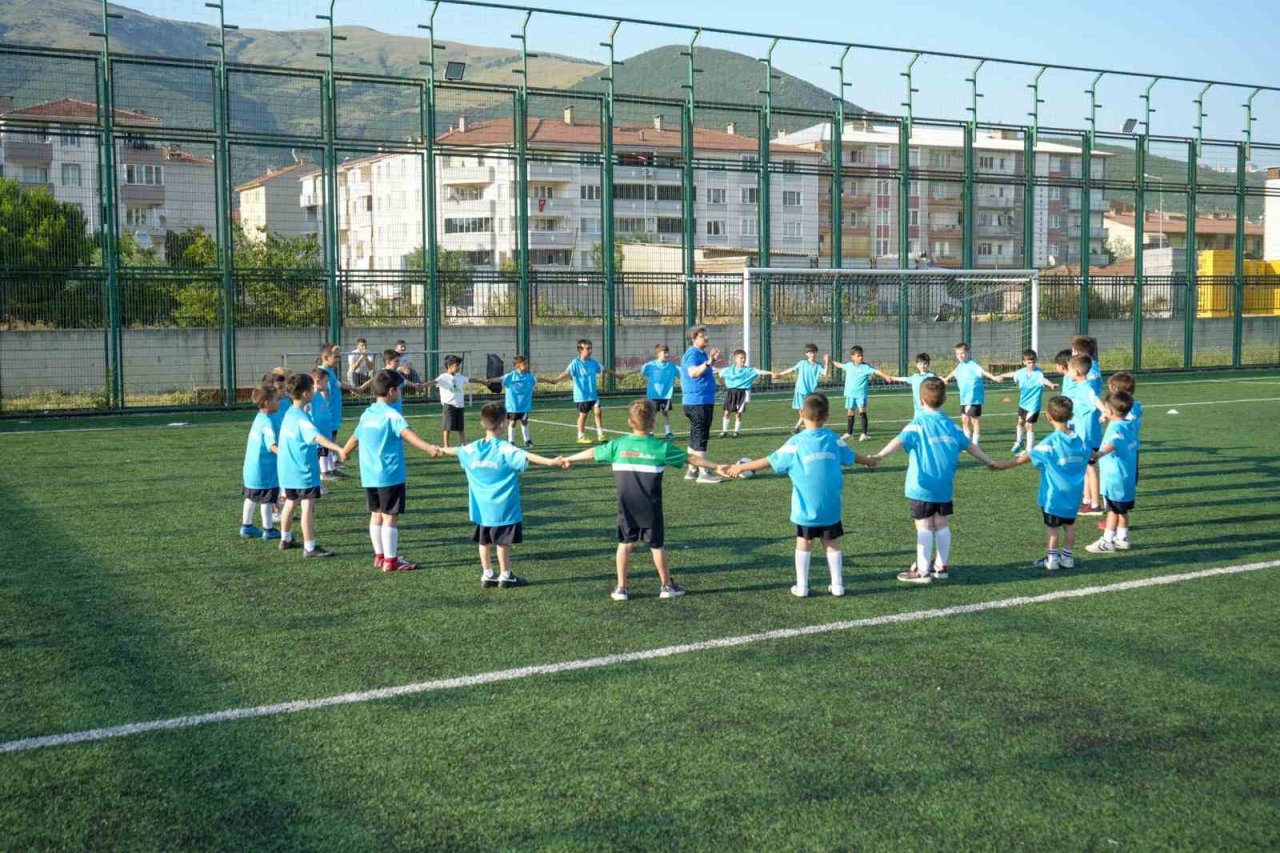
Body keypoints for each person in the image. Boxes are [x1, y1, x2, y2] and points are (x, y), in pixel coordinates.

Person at [562, 399, 729, 601]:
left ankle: (621, 588)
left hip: (627, 508)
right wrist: (716, 466)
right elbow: (692, 458)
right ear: (653, 423)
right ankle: (667, 586)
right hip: (651, 509)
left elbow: (592, 452)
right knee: (656, 546)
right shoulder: (661, 448)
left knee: (624, 545)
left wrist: (570, 458)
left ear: (629, 423)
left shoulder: (617, 445)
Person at [727, 393, 877, 598]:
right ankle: (838, 585)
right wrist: (869, 461)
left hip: (806, 508)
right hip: (831, 506)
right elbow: (852, 456)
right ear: (827, 417)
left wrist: (741, 467)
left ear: (801, 414)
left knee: (804, 543)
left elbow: (770, 461)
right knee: (831, 543)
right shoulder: (833, 438)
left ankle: (802, 587)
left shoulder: (795, 443)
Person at [870, 376, 1002, 583]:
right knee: (941, 524)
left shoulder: (918, 424)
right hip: (943, 486)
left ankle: (922, 571)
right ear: (944, 399)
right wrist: (989, 460)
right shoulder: (951, 425)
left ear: (921, 399)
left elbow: (897, 441)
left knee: (923, 526)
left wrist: (878, 456)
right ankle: (941, 567)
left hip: (922, 486)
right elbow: (970, 446)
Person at [435, 402, 567, 589]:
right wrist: (552, 462)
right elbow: (527, 457)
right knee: (502, 542)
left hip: (481, 509)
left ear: (482, 424)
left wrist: (439, 450)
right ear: (503, 424)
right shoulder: (505, 449)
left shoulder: (472, 449)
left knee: (484, 541)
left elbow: (455, 450)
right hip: (503, 508)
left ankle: (487, 573)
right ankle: (505, 575)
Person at [341, 370, 443, 573]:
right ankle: (391, 561)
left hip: (369, 475)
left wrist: (344, 451)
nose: (400, 394)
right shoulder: (392, 415)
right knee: (390, 517)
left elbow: (355, 437)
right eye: (399, 390)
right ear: (391, 390)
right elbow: (408, 435)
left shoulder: (367, 413)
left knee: (376, 515)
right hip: (389, 474)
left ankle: (380, 556)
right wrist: (428, 448)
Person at [990, 395, 1087, 570]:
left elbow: (1025, 458)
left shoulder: (1050, 442)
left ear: (1048, 417)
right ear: (1072, 416)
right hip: (1073, 495)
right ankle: (1067, 558)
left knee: (1053, 528)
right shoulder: (1079, 441)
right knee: (1070, 526)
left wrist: (1003, 465)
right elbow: (1090, 455)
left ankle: (1051, 560)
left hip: (1054, 497)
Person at [276, 372, 348, 558]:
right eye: (312, 389)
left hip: (287, 470)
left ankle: (285, 538)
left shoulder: (289, 414)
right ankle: (309, 547)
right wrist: (338, 449)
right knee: (308, 506)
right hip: (304, 471)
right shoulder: (302, 418)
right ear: (307, 394)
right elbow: (317, 437)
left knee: (291, 503)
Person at [1086, 391, 1140, 554]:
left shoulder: (1116, 429)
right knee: (1123, 509)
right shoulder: (1129, 425)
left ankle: (1107, 541)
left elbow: (1113, 443)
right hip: (1127, 476)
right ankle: (1122, 538)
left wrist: (1098, 454)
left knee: (1112, 510)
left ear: (1109, 411)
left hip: (1114, 477)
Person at [549, 339, 621, 445]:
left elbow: (604, 369)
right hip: (582, 396)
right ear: (580, 350)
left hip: (593, 394)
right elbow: (566, 372)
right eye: (587, 348)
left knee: (598, 412)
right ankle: (580, 436)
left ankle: (600, 434)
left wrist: (617, 375)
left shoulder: (593, 362)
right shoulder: (575, 363)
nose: (590, 350)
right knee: (583, 415)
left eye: (590, 348)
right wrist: (556, 380)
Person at [677, 326, 723, 483]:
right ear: (693, 339)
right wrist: (708, 364)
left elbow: (701, 371)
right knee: (700, 437)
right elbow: (692, 373)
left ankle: (692, 470)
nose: (707, 338)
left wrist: (711, 366)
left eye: (706, 335)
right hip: (698, 402)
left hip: (698, 401)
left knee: (695, 437)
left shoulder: (700, 354)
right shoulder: (693, 353)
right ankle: (704, 472)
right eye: (703, 336)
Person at [1063, 354, 1104, 516]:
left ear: (1078, 372)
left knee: (1090, 468)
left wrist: (1105, 412)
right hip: (1081, 435)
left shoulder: (1087, 388)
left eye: (1070, 370)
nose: (1068, 374)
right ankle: (1087, 501)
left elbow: (1096, 400)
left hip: (1088, 436)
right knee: (1085, 468)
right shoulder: (1080, 387)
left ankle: (1095, 504)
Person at [996, 349, 1058, 454]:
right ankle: (1019, 442)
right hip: (1023, 404)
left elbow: (1043, 380)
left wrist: (1051, 384)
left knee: (1029, 425)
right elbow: (1013, 374)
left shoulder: (1038, 373)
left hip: (1034, 406)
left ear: (1036, 361)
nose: (1031, 364)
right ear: (1024, 362)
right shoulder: (1021, 372)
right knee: (1020, 422)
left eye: (1033, 362)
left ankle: (1029, 449)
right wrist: (1002, 375)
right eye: (1029, 362)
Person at [240, 385, 281, 540]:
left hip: (250, 469)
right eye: (276, 399)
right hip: (265, 471)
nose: (279, 402)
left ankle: (247, 525)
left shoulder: (258, 418)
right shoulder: (268, 423)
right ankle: (268, 529)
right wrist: (286, 455)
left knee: (250, 497)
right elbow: (272, 446)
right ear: (266, 403)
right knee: (267, 499)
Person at [942, 341, 1001, 444]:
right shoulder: (960, 365)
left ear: (968, 352)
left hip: (974, 398)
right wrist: (946, 379)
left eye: (962, 353)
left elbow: (983, 372)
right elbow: (954, 372)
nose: (960, 356)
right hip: (964, 398)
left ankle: (975, 443)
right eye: (957, 354)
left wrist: (994, 378)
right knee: (964, 420)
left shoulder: (973, 365)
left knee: (974, 420)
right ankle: (966, 441)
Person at [837, 345, 893, 442]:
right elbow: (839, 365)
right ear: (852, 357)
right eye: (858, 356)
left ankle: (864, 434)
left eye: (861, 355)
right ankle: (849, 433)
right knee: (850, 412)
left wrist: (886, 376)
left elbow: (876, 371)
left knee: (862, 412)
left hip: (860, 395)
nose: (861, 357)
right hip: (850, 394)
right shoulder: (849, 365)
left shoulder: (865, 367)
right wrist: (830, 361)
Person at [430, 354, 486, 448]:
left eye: (458, 365)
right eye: (456, 365)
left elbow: (470, 379)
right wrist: (422, 386)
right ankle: (446, 446)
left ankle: (464, 444)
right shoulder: (443, 377)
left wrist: (482, 382)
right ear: (449, 366)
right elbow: (434, 382)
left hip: (460, 405)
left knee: (461, 427)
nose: (458, 367)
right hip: (449, 405)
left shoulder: (459, 376)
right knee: (447, 427)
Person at [718, 348, 776, 438]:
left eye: (744, 358)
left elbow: (760, 372)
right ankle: (724, 431)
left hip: (741, 393)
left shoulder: (748, 370)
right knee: (727, 412)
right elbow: (718, 371)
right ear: (735, 359)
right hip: (730, 393)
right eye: (741, 358)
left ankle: (736, 431)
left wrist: (771, 373)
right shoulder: (729, 370)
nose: (743, 360)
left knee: (738, 413)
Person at [775, 343, 830, 434]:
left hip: (809, 393)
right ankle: (809, 426)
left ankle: (796, 428)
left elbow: (825, 373)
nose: (812, 354)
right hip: (799, 391)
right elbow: (791, 369)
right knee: (801, 413)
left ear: (816, 353)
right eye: (810, 352)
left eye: (814, 352)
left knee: (805, 412)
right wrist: (780, 374)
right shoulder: (802, 363)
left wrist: (827, 363)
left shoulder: (817, 366)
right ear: (806, 354)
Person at [640, 344, 679, 440]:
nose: (666, 354)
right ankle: (650, 432)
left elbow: (681, 373)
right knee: (652, 414)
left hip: (666, 395)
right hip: (653, 395)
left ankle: (668, 432)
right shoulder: (651, 365)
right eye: (664, 352)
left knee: (665, 413)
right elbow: (642, 371)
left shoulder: (671, 366)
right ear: (657, 354)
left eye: (667, 352)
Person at [307, 367, 337, 488]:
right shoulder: (312, 395)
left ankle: (329, 470)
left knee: (326, 450)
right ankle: (324, 473)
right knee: (321, 452)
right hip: (319, 432)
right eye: (325, 381)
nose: (327, 384)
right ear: (317, 382)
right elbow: (307, 411)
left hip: (326, 430)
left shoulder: (320, 394)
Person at [501, 355, 538, 447]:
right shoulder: (510, 376)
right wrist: (487, 381)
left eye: (526, 363)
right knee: (512, 422)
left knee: (524, 421)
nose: (526, 365)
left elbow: (538, 379)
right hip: (513, 406)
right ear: (517, 365)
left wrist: (551, 381)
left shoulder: (529, 377)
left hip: (524, 405)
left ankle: (527, 440)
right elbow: (499, 379)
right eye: (524, 364)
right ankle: (511, 441)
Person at [886, 353, 937, 417]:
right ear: (917, 365)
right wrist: (893, 378)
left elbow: (939, 381)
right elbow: (905, 379)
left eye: (925, 363)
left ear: (928, 364)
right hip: (918, 410)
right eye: (920, 364)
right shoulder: (915, 377)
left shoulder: (932, 376)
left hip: (930, 408)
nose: (922, 366)